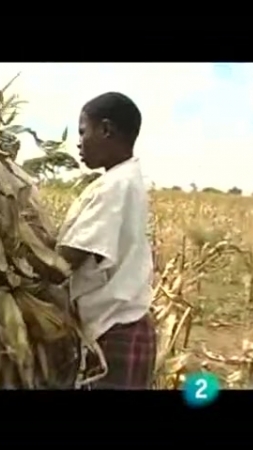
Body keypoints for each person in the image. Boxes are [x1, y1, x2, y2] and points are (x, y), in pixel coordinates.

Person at [55, 92, 156, 390]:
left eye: (83, 131)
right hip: (115, 327)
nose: (79, 142)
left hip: (117, 330)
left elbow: (63, 263)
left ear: (107, 130)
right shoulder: (123, 180)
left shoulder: (116, 186)